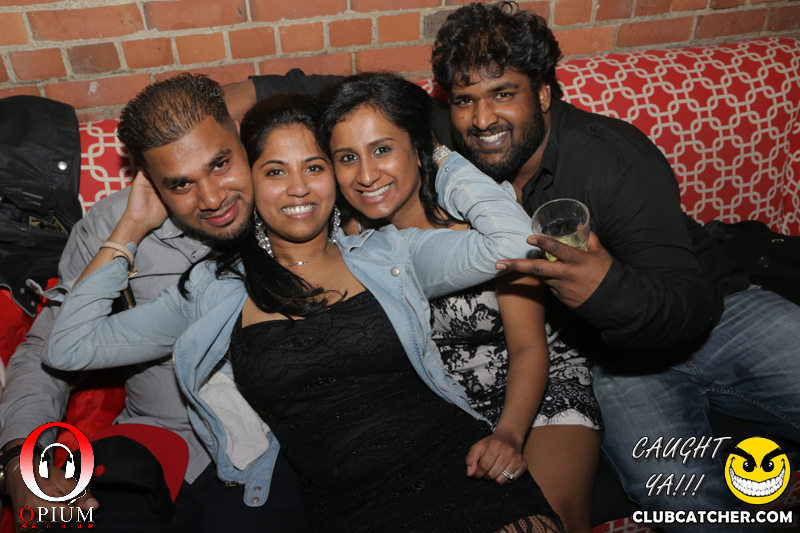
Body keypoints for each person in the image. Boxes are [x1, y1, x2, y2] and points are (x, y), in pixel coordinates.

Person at [42, 91, 564, 532]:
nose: (297, 188)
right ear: (250, 177)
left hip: (462, 471)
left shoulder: (389, 254)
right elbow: (70, 346)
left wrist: (436, 156)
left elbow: (515, 242)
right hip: (347, 510)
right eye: (275, 171)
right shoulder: (214, 290)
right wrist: (131, 228)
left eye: (314, 167)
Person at [429, 0, 800, 527]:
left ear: (543, 93)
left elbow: (691, 302)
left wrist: (608, 290)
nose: (482, 118)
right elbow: (369, 114)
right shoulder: (452, 141)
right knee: (679, 496)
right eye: (465, 100)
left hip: (722, 313)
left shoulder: (615, 161)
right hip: (614, 361)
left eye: (503, 94)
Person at [0, 73, 308, 532]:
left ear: (241, 138)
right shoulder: (111, 225)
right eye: (180, 184)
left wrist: (257, 88)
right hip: (158, 441)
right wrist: (19, 457)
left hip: (273, 444)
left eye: (220, 163)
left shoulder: (295, 198)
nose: (213, 199)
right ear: (149, 180)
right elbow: (48, 350)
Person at [317, 72, 602, 532]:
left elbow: (529, 347)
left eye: (383, 149)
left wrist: (508, 434)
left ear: (419, 149)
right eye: (347, 158)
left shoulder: (482, 220)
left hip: (534, 384)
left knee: (551, 521)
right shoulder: (347, 238)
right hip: (445, 405)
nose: (366, 176)